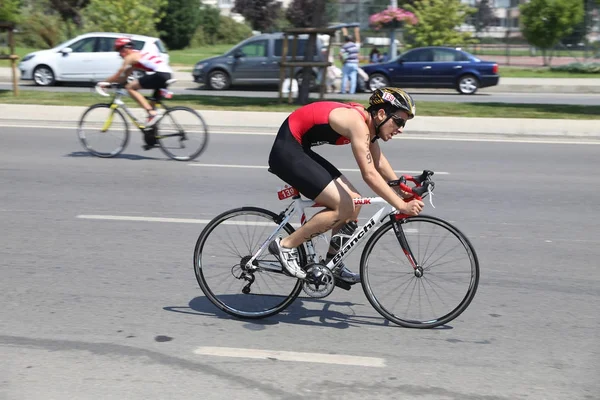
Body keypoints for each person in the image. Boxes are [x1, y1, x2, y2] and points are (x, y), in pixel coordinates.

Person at [267, 87, 424, 282]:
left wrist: (404, 191)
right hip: (287, 151)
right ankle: (285, 246)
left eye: (404, 124)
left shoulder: (369, 126)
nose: (400, 129)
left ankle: (333, 263)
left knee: (356, 202)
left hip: (300, 148)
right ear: (382, 113)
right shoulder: (357, 123)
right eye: (399, 122)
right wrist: (401, 205)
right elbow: (370, 174)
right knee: (344, 206)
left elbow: (379, 163)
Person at [100, 37, 173, 127]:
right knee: (151, 105)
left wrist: (103, 83)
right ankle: (152, 132)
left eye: (119, 51)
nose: (119, 54)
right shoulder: (137, 56)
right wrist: (110, 84)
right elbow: (123, 77)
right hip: (167, 74)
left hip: (160, 74)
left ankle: (151, 113)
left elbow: (118, 74)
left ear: (125, 49)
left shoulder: (130, 57)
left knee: (130, 88)